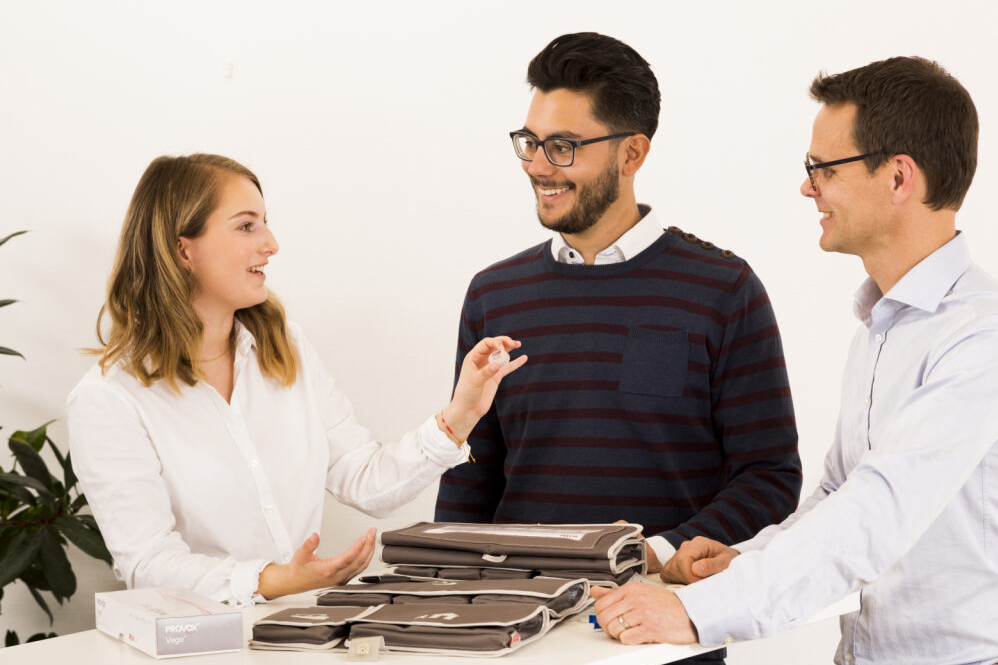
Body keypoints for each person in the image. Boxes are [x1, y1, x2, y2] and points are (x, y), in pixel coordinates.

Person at [591, 56, 998, 665]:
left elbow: (878, 510)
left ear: (898, 177)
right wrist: (744, 560)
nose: (808, 188)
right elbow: (838, 495)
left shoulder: (980, 337)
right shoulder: (883, 325)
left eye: (824, 169)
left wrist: (698, 611)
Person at [434, 32, 802, 662]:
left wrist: (652, 556)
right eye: (530, 142)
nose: (538, 165)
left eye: (563, 146)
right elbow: (472, 470)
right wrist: (445, 610)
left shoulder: (722, 290)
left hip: (659, 637)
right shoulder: (495, 294)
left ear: (632, 152)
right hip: (514, 639)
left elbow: (769, 475)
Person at [67, 154, 527, 606]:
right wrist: (273, 580)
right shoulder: (107, 399)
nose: (271, 244)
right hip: (198, 641)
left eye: (265, 223)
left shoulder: (285, 349)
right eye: (246, 226)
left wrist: (460, 414)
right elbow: (147, 564)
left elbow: (365, 480)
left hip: (299, 633)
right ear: (183, 250)